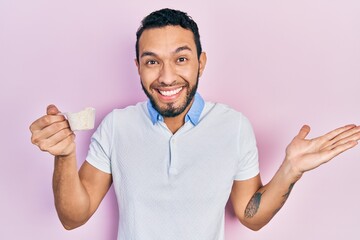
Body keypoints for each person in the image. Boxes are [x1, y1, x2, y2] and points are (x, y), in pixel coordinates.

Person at [29, 8, 360, 240]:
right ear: (138, 67)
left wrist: (291, 170)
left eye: (181, 59)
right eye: (152, 62)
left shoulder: (234, 127)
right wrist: (64, 155)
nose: (167, 76)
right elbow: (74, 218)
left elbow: (250, 215)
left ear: (201, 63)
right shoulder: (116, 126)